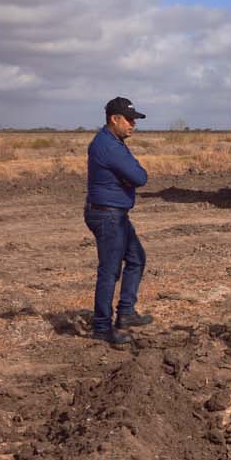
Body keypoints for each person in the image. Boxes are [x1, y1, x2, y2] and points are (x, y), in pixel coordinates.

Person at [83, 96, 153, 347]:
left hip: (115, 212)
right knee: (110, 271)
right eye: (130, 120)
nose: (134, 125)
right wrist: (130, 176)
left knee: (136, 259)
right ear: (114, 119)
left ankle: (125, 313)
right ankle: (102, 326)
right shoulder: (109, 146)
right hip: (107, 214)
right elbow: (139, 176)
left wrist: (130, 176)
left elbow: (134, 175)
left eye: (135, 120)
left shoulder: (114, 141)